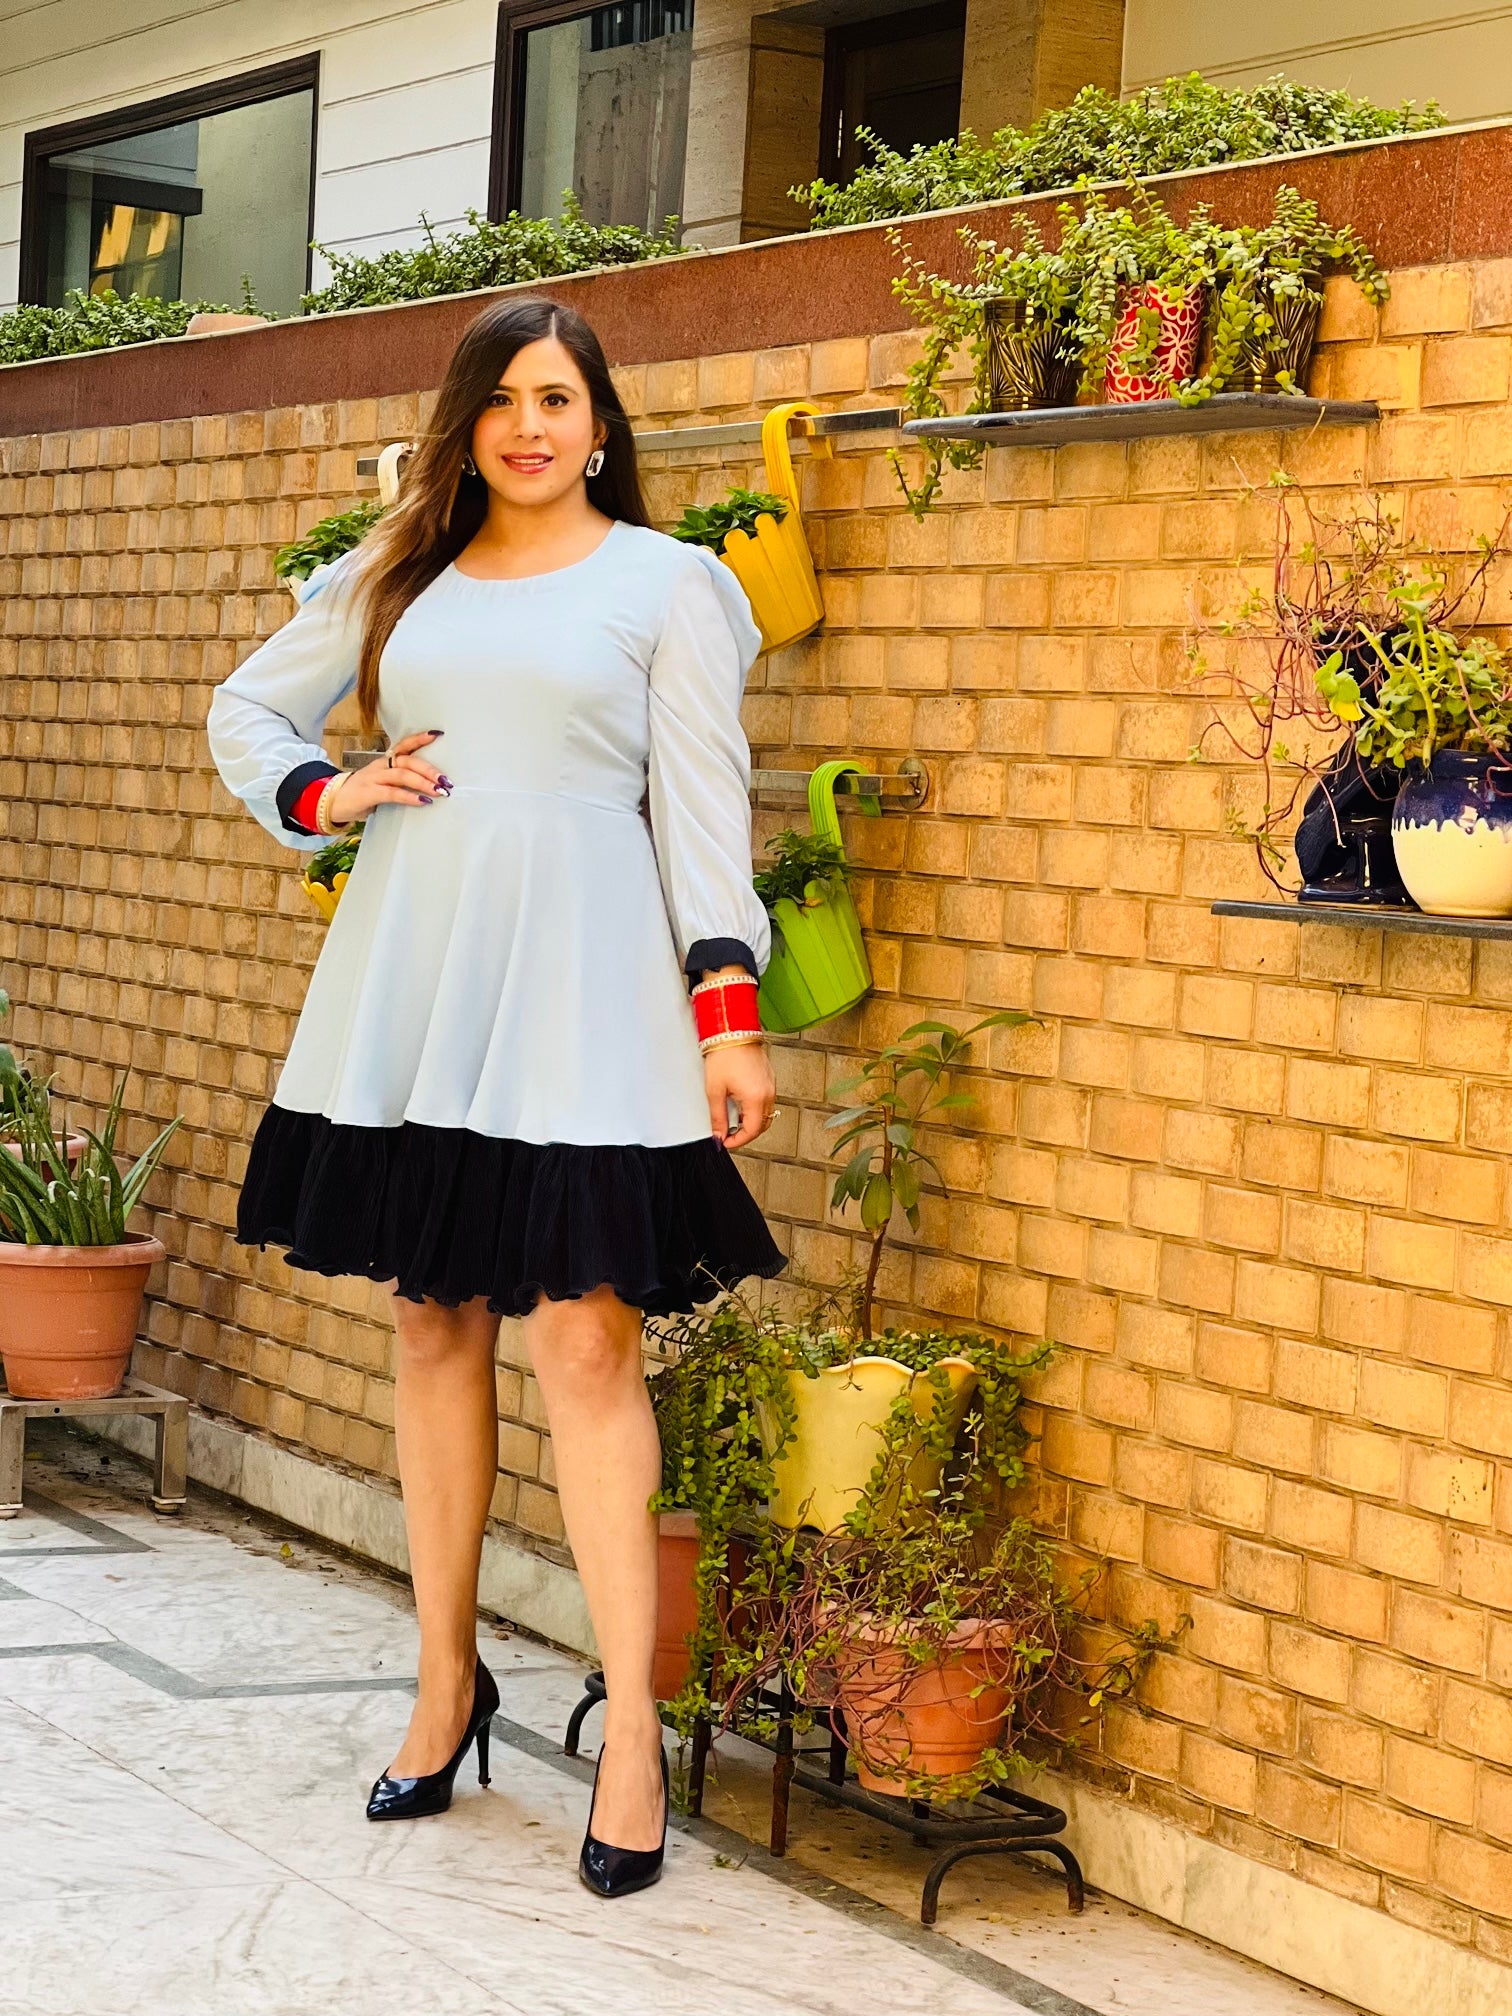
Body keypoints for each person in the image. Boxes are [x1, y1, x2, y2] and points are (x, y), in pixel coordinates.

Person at [205, 295, 784, 1898]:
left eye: (558, 399)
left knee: (586, 1339)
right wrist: (331, 789)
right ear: (465, 423)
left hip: (589, 990)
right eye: (503, 399)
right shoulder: (402, 568)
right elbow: (245, 710)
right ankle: (445, 1686)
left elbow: (704, 810)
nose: (530, 426)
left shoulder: (670, 583)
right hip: (421, 979)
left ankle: (632, 1734)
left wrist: (726, 1015)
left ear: (600, 426)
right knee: (429, 1322)